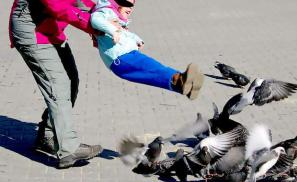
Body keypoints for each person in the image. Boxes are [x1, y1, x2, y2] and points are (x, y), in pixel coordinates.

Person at [9, 0, 103, 169]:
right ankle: (69, 149)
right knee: (58, 85)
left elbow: (84, 2)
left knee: (71, 80)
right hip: (31, 29)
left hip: (49, 27)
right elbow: (57, 6)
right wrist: (93, 26)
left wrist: (112, 16)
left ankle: (47, 136)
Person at [90, 0, 204, 100]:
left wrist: (136, 39)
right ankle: (180, 80)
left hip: (126, 56)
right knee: (153, 69)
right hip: (120, 58)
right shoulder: (106, 11)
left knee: (154, 70)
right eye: (127, 4)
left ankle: (184, 87)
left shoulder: (116, 19)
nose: (130, 9)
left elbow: (125, 33)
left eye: (132, 5)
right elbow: (95, 19)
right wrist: (113, 31)